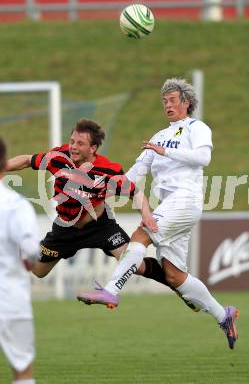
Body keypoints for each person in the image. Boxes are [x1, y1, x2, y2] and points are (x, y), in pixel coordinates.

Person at [78, 78, 240, 350]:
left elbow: (203, 158)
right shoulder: (157, 137)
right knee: (174, 276)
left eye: (172, 100)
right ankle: (224, 315)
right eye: (164, 101)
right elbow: (133, 175)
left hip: (185, 200)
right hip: (170, 204)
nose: (167, 105)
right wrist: (100, 189)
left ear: (186, 102)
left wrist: (165, 151)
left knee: (140, 236)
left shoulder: (196, 127)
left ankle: (111, 290)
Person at [5, 118, 179, 306]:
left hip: (100, 226)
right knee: (38, 271)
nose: (73, 146)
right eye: (72, 141)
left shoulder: (108, 170)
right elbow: (26, 160)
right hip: (65, 228)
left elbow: (135, 193)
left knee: (135, 264)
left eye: (80, 143)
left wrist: (146, 215)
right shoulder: (58, 157)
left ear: (93, 148)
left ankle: (177, 282)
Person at [0, 138, 40, 384]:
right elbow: (30, 250)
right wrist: (29, 261)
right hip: (9, 297)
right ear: (5, 164)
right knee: (22, 371)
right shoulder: (15, 204)